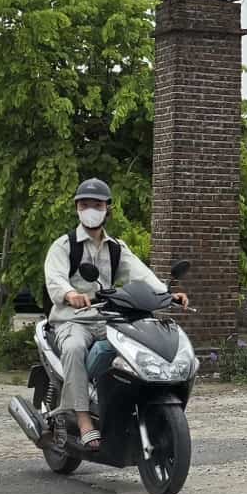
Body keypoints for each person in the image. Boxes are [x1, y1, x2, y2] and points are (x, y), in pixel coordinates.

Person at [44, 178, 187, 451]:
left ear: (107, 208)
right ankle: (84, 420)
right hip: (72, 319)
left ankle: (122, 407)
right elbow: (55, 279)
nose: (91, 209)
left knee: (136, 346)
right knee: (74, 348)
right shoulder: (65, 246)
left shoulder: (115, 248)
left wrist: (167, 294)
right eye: (85, 204)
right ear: (77, 207)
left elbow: (141, 274)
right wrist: (70, 294)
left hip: (105, 318)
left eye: (96, 204)